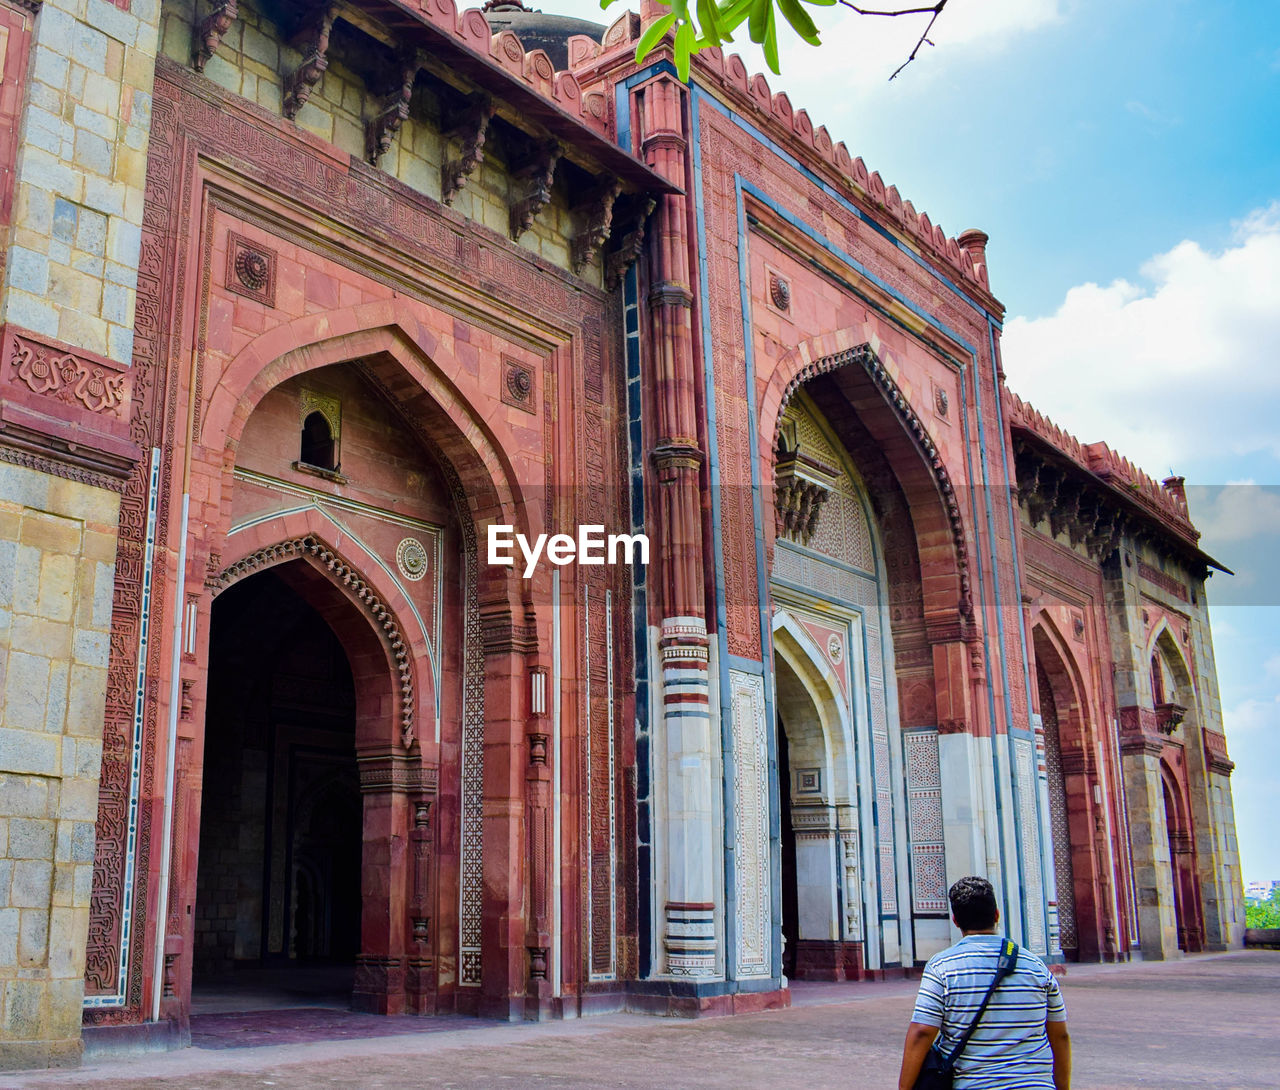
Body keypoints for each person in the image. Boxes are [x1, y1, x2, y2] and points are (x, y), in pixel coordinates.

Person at [897, 876, 1071, 1090]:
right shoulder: (1037, 967)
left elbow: (923, 1031)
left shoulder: (942, 967)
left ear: (955, 921)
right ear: (997, 915)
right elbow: (1060, 1035)